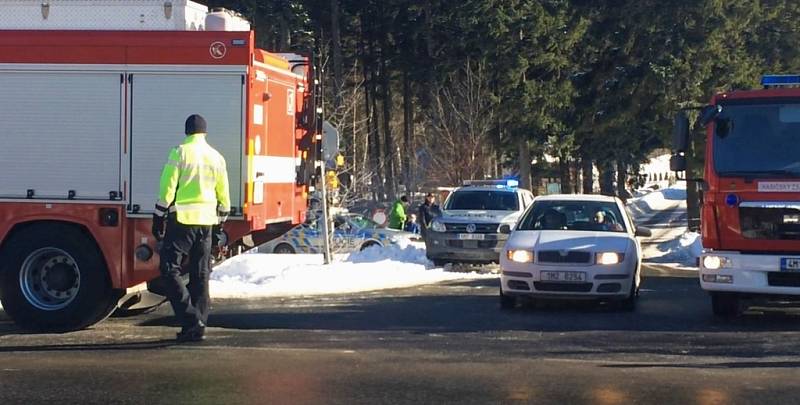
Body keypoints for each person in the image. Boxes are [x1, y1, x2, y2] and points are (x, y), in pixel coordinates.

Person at [151, 114, 230, 343]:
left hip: (183, 220)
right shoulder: (216, 157)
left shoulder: (180, 152)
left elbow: (167, 186)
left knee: (169, 269)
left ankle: (190, 319)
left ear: (187, 131)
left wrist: (159, 215)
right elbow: (223, 193)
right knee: (200, 274)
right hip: (207, 222)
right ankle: (199, 325)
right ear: (204, 132)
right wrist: (221, 221)